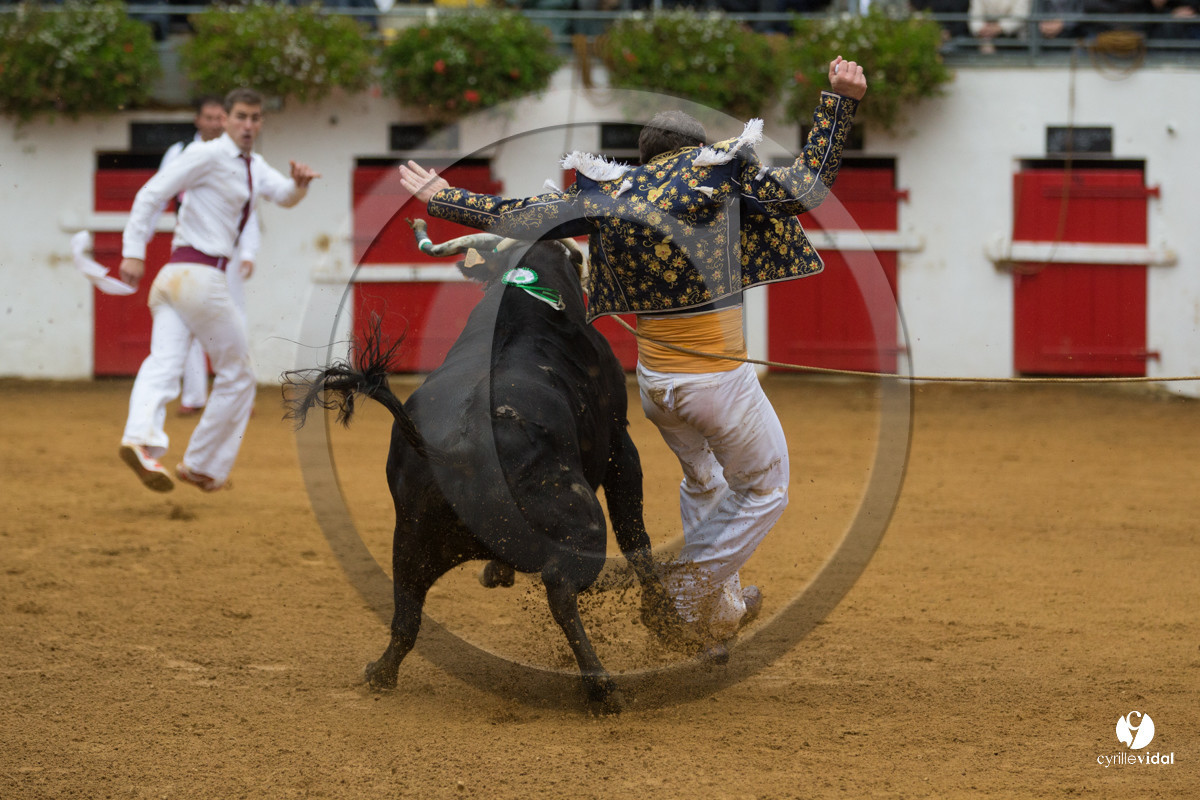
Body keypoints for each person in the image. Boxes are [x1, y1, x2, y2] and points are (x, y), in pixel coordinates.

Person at [397, 57, 867, 650]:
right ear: (698, 150)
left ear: (644, 156)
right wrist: (839, 102)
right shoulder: (714, 176)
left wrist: (445, 198)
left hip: (656, 386)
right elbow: (806, 185)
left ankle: (715, 613)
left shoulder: (617, 192)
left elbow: (526, 218)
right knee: (767, 487)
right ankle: (682, 597)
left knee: (706, 480)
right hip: (716, 381)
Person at [117, 88, 320, 493]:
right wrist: (133, 252)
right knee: (239, 375)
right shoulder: (206, 155)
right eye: (241, 116)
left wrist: (299, 187)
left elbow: (282, 195)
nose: (249, 125)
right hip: (199, 277)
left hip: (175, 278)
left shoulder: (254, 164)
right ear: (224, 119)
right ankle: (202, 465)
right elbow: (152, 193)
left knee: (164, 363)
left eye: (256, 118)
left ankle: (139, 440)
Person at [149, 95, 262, 417]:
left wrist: (250, 251)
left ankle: (240, 393)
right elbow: (160, 192)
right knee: (189, 319)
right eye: (208, 118)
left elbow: (249, 208)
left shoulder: (240, 156)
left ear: (225, 120)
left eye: (218, 118)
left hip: (230, 248)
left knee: (235, 316)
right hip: (192, 246)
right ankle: (195, 396)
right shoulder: (180, 152)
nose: (214, 123)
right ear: (198, 121)